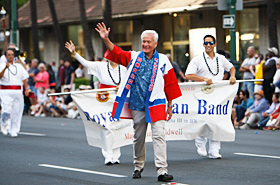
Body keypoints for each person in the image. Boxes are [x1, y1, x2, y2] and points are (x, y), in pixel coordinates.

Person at [96, 22, 181, 182]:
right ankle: (138, 166)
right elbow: (117, 52)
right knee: (139, 138)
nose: (145, 44)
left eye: (149, 42)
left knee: (159, 137)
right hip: (137, 104)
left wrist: (170, 106)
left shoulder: (163, 60)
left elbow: (170, 84)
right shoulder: (133, 57)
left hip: (156, 103)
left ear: (155, 43)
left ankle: (162, 171)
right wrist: (106, 39)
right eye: (143, 41)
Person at [65, 40, 127, 165]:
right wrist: (75, 53)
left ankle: (116, 155)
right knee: (105, 125)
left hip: (118, 98)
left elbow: (130, 80)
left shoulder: (124, 68)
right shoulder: (101, 66)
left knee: (116, 126)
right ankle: (108, 155)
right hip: (103, 99)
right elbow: (86, 63)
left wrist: (121, 85)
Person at [185, 35, 236, 159]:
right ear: (203, 45)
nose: (208, 45)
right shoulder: (197, 59)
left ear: (214, 44)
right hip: (203, 93)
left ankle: (214, 150)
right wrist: (204, 79)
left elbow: (231, 68)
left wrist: (232, 76)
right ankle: (200, 142)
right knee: (205, 119)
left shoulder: (221, 58)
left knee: (217, 121)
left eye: (211, 42)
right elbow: (188, 75)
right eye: (206, 43)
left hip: (219, 93)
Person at [0, 49, 29, 137]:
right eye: (9, 55)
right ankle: (3, 122)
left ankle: (14, 130)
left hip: (18, 91)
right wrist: (5, 67)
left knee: (17, 112)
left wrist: (26, 89)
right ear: (5, 56)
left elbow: (24, 77)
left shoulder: (19, 66)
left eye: (12, 55)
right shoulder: (1, 65)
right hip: (6, 91)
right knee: (7, 110)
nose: (11, 56)